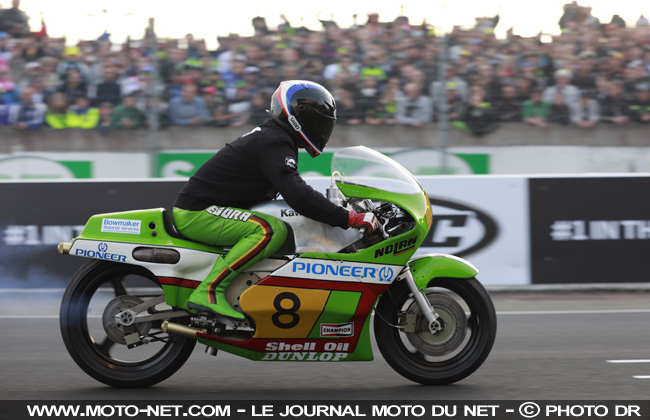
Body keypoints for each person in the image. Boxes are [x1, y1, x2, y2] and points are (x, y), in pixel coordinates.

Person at [172, 80, 379, 320]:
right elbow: (298, 194)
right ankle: (209, 292)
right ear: (295, 117)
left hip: (212, 209)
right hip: (199, 211)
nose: (319, 129)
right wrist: (348, 218)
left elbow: (295, 193)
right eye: (315, 122)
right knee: (269, 231)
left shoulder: (276, 137)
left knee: (288, 229)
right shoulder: (275, 141)